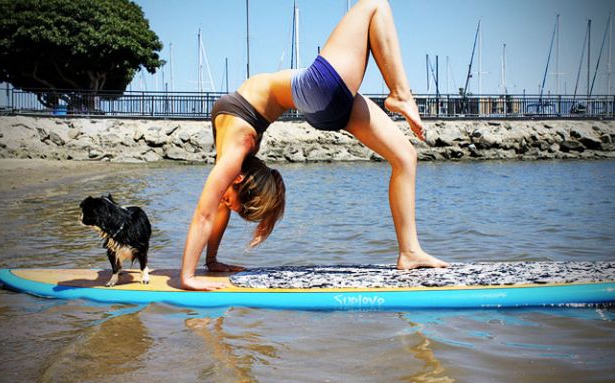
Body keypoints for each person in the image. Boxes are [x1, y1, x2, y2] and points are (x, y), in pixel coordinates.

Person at [180, 0, 449, 291]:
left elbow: (206, 211)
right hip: (318, 96)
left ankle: (409, 252)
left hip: (319, 95)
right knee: (375, 5)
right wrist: (210, 261)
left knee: (406, 157)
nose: (223, 202)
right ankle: (399, 93)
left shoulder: (237, 149)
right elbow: (215, 208)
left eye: (229, 201)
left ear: (238, 179)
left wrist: (188, 275)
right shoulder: (236, 152)